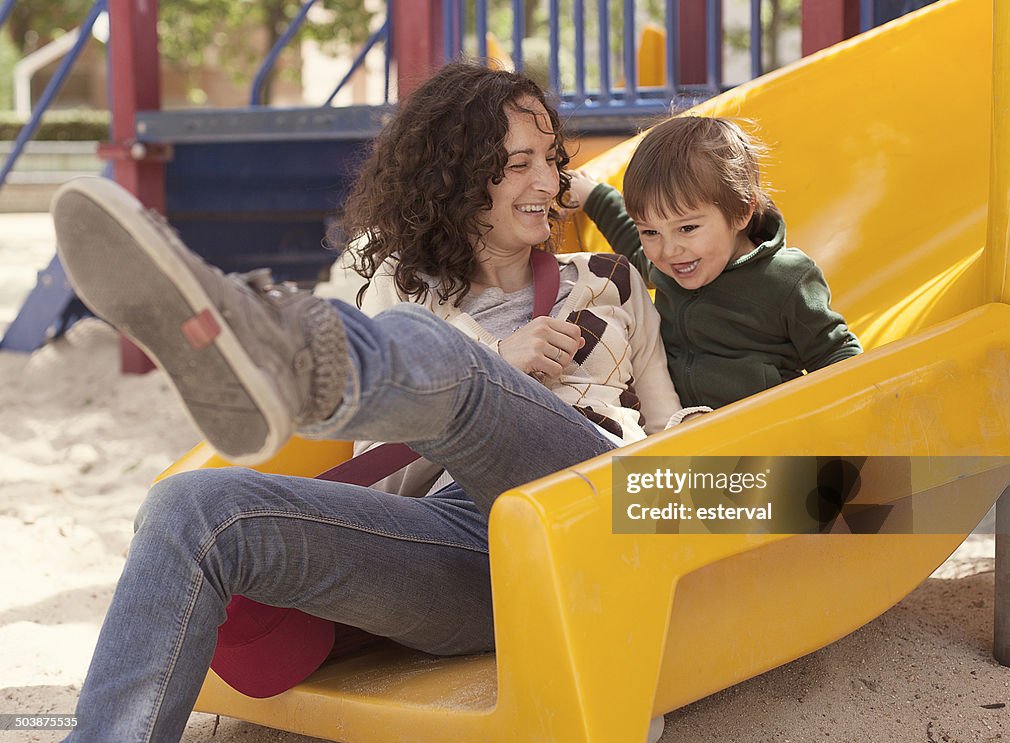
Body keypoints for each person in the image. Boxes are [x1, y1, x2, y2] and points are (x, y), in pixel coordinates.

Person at [52, 62, 681, 742]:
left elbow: (672, 421)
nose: (548, 183)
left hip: (599, 507)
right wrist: (498, 360)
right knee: (188, 506)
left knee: (433, 351)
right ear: (461, 177)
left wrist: (769, 485)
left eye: (551, 160)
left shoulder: (609, 281)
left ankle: (281, 347)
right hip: (464, 552)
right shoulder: (397, 288)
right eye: (517, 164)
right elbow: (384, 474)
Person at [570, 115, 862, 409]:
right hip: (682, 433)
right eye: (651, 232)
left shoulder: (786, 279)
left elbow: (835, 353)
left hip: (765, 436)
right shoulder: (668, 268)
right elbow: (633, 246)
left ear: (741, 213)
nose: (669, 250)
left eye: (687, 228)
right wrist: (594, 196)